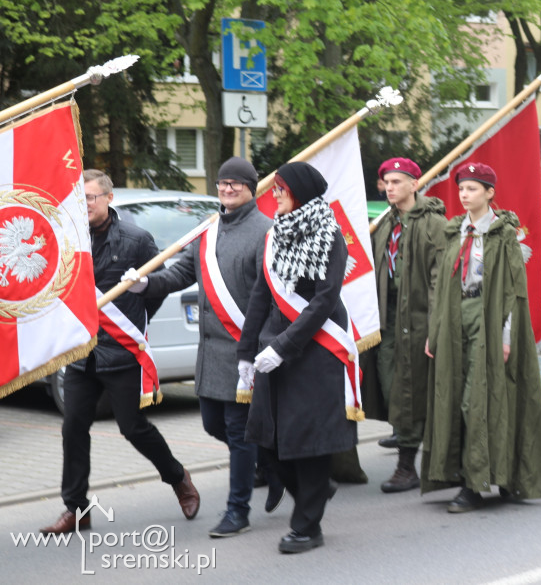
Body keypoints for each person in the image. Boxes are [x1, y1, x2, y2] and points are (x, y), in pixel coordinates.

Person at [41, 169, 200, 535]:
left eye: (91, 198)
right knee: (73, 427)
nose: (86, 205)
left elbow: (157, 287)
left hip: (121, 352)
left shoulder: (136, 239)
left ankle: (178, 478)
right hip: (81, 355)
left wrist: (135, 328)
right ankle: (76, 509)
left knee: (133, 427)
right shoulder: (69, 237)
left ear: (109, 199)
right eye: (80, 199)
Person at [125, 158, 277, 537]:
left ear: (251, 188)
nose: (227, 190)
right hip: (210, 353)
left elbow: (270, 294)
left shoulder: (265, 232)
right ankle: (276, 464)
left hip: (244, 349)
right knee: (212, 424)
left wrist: (262, 346)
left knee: (238, 432)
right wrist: (146, 284)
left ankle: (237, 511)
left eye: (235, 185)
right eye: (223, 183)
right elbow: (180, 273)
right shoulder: (208, 229)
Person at [237, 162, 356, 554]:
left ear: (300, 193)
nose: (275, 197)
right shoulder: (275, 234)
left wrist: (282, 346)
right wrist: (246, 351)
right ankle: (318, 490)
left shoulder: (329, 235)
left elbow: (324, 300)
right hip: (274, 345)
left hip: (315, 349)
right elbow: (261, 295)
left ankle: (308, 527)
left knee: (308, 441)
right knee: (266, 439)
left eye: (281, 190)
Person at [422, 162, 541, 513]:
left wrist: (505, 336)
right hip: (454, 320)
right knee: (453, 396)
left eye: (473, 189)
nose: (465, 195)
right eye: (462, 189)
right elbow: (442, 286)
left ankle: (474, 484)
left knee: (477, 401)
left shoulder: (503, 234)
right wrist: (435, 331)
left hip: (489, 320)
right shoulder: (455, 232)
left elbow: (513, 291)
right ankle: (476, 474)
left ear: (489, 193)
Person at [362, 157, 446, 493]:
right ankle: (408, 441)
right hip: (388, 317)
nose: (389, 188)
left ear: (415, 183)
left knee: (410, 390)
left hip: (421, 319)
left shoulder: (434, 224)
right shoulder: (385, 223)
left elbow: (441, 280)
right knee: (390, 384)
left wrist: (436, 327)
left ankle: (407, 467)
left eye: (397, 181)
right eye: (386, 182)